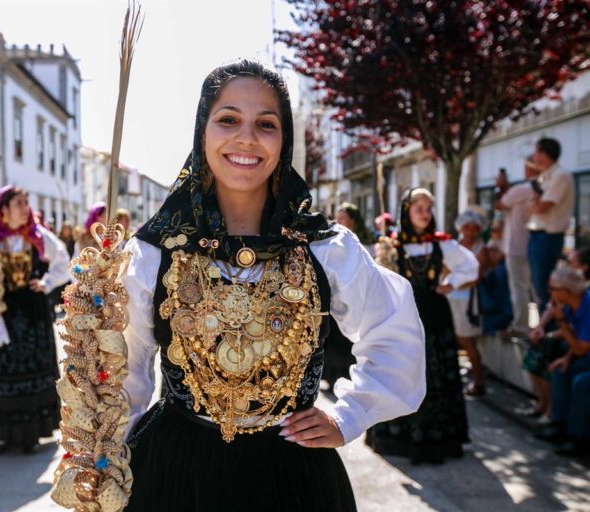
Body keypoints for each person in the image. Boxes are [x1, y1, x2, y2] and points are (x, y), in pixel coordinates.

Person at [121, 60, 425, 510]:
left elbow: (393, 330)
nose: (246, 137)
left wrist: (349, 415)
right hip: (175, 473)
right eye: (228, 119)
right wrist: (104, 457)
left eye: (266, 123)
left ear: (284, 142)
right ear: (202, 132)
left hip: (294, 477)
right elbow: (125, 371)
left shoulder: (326, 248)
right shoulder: (152, 252)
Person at [366, 187, 479, 464]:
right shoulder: (391, 245)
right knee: (403, 372)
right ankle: (399, 437)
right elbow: (374, 278)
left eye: (428, 209)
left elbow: (471, 266)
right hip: (403, 317)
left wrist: (450, 284)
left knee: (433, 374)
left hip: (435, 317)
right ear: (407, 211)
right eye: (419, 209)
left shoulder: (442, 244)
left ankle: (437, 437)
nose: (425, 214)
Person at [0, 185, 70, 454]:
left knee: (31, 367)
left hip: (32, 310)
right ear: (3, 210)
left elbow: (64, 262)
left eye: (27, 202)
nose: (26, 208)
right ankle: (4, 434)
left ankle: (31, 434)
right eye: (19, 203)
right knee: (1, 368)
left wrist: (46, 282)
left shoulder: (39, 238)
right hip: (1, 309)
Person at [535, 267, 590, 456]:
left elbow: (581, 347)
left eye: (552, 288)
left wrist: (562, 321)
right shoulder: (571, 304)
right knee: (560, 371)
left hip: (585, 355)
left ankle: (578, 437)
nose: (549, 292)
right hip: (585, 355)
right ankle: (559, 424)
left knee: (582, 382)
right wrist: (566, 358)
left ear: (567, 291)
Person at [527, 137, 575, 311]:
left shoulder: (560, 175)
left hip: (548, 238)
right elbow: (532, 207)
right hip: (539, 237)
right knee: (539, 288)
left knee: (546, 288)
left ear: (543, 154)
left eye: (535, 152)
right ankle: (542, 331)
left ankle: (549, 332)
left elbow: (539, 207)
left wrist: (535, 202)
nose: (533, 157)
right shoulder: (545, 177)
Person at [494, 158, 540, 336]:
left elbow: (499, 205)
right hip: (533, 245)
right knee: (536, 290)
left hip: (516, 246)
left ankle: (521, 326)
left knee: (519, 288)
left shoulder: (521, 189)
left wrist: (502, 187)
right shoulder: (541, 190)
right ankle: (541, 326)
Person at [447, 209, 488, 396]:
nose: (470, 231)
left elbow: (476, 277)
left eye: (474, 227)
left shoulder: (481, 249)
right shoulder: (455, 246)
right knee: (455, 340)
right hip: (450, 298)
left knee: (467, 340)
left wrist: (455, 282)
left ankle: (479, 382)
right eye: (466, 227)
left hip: (468, 301)